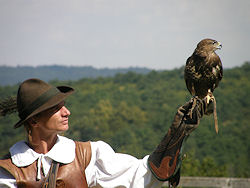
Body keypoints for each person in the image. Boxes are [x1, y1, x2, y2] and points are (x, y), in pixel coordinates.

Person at [0, 78, 211, 188]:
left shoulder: (86, 155)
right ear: (34, 120)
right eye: (56, 108)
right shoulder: (8, 172)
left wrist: (176, 134)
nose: (67, 112)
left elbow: (139, 175)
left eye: (64, 105)